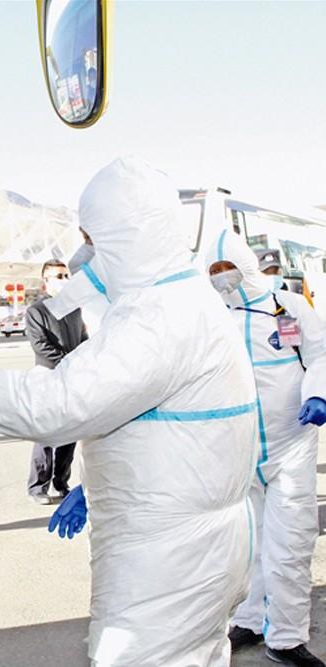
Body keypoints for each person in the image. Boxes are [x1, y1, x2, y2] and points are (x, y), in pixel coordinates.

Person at [0, 157, 257, 666]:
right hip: (194, 548)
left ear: (127, 236)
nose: (85, 254)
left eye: (93, 239)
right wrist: (92, 489)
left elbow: (59, 404)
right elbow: (163, 431)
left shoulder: (157, 317)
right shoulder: (184, 299)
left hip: (168, 562)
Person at [207, 231, 326, 667]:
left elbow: (321, 354)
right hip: (238, 451)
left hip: (289, 446)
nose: (223, 277)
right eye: (215, 271)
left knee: (289, 545)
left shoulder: (286, 306)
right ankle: (250, 619)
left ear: (247, 265)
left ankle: (287, 637)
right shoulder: (212, 315)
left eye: (229, 268)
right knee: (246, 546)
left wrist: (318, 393)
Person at [24, 259, 87, 503]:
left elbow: (83, 339)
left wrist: (83, 361)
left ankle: (61, 482)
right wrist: (67, 362)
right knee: (46, 434)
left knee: (69, 433)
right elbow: (41, 345)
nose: (64, 280)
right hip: (48, 378)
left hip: (72, 380)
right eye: (58, 276)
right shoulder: (36, 312)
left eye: (66, 275)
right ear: (46, 281)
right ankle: (38, 487)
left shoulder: (74, 309)